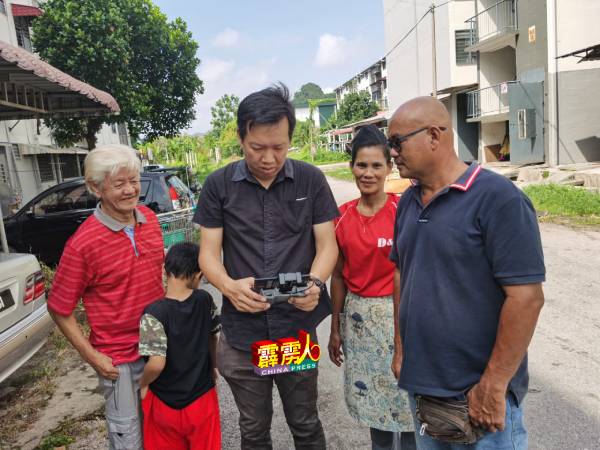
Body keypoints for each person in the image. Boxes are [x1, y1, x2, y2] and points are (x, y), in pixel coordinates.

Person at [388, 97, 546, 449]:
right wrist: (401, 350)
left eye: (397, 142)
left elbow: (527, 298)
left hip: (478, 395)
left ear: (433, 135)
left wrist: (493, 384)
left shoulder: (498, 200)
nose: (392, 153)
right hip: (425, 390)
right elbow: (402, 275)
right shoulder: (408, 203)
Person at [194, 83, 339, 450]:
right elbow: (208, 255)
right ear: (241, 138)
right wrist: (229, 287)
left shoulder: (310, 179)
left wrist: (316, 283)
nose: (270, 158)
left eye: (280, 147)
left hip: (296, 330)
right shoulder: (219, 185)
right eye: (258, 147)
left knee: (305, 424)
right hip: (244, 335)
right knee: (254, 430)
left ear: (291, 137)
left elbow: (327, 245)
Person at [47, 144, 165, 450]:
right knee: (130, 440)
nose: (130, 190)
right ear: (95, 188)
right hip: (120, 361)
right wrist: (92, 356)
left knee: (164, 430)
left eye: (134, 181)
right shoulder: (82, 245)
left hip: (160, 348)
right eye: (119, 184)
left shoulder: (150, 221)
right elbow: (59, 307)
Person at [328, 125, 416, 450]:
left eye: (376, 165)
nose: (368, 173)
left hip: (400, 319)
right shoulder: (340, 217)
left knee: (408, 412)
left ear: (389, 168)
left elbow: (409, 274)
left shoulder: (404, 211)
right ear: (351, 166)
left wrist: (404, 337)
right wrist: (335, 328)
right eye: (361, 165)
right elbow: (337, 276)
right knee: (374, 413)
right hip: (360, 325)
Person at [139, 242, 221, 450]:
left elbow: (156, 364)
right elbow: (213, 336)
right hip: (202, 399)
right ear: (197, 275)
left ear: (166, 270)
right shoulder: (205, 300)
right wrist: (213, 366)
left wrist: (143, 383)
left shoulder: (153, 314)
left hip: (165, 403)